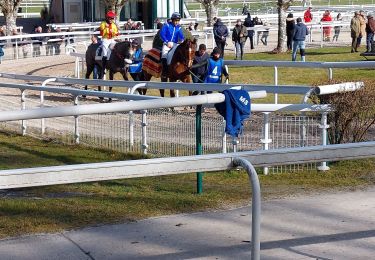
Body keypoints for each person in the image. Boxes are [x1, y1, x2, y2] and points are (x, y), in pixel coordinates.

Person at [159, 12, 184, 77]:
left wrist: (182, 40)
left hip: (175, 44)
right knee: (164, 55)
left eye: (178, 21)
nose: (177, 22)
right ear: (172, 20)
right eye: (175, 20)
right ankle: (164, 72)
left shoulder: (179, 28)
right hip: (166, 44)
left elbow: (181, 35)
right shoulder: (167, 25)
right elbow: (162, 34)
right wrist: (167, 42)